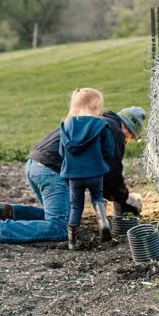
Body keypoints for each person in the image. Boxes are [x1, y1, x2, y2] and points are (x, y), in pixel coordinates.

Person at [0, 103, 146, 248]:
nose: (127, 141)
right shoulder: (113, 131)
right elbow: (110, 174)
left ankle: (7, 212)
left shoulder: (91, 119)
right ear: (126, 127)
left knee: (57, 216)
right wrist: (124, 198)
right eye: (130, 137)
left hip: (34, 164)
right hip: (52, 171)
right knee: (60, 228)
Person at [59, 88, 114, 250]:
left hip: (73, 175)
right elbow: (109, 150)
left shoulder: (66, 124)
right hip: (95, 171)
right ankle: (103, 223)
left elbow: (62, 151)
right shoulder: (101, 125)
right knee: (97, 197)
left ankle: (72, 241)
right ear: (96, 105)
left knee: (76, 206)